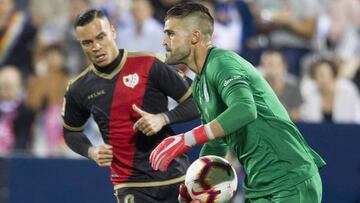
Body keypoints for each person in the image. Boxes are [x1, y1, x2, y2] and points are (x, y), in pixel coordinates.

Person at [150, 2, 326, 203]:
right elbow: (216, 144)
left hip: (289, 177)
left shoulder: (222, 62)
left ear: (195, 37)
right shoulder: (199, 84)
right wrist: (195, 186)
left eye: (171, 33)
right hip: (258, 185)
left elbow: (244, 109)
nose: (164, 41)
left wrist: (186, 139)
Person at [62, 9, 199, 203]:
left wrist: (162, 118)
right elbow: (71, 132)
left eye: (101, 37)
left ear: (113, 31)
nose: (96, 47)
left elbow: (197, 101)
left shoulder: (150, 63)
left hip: (174, 174)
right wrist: (91, 151)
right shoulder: (78, 88)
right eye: (88, 42)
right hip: (130, 184)